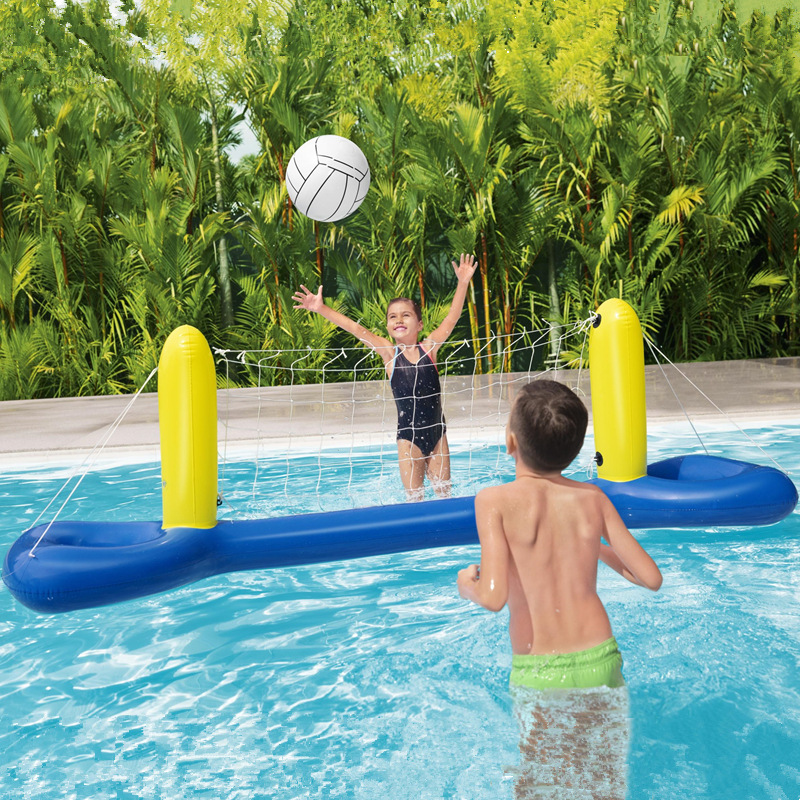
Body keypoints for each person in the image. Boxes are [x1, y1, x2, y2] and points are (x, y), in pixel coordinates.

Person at [456, 379, 662, 799]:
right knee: (602, 776)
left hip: (540, 668)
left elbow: (494, 597)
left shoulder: (493, 500)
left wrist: (467, 585)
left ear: (510, 441)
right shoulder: (593, 497)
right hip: (599, 657)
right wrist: (598, 552)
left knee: (540, 779)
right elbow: (651, 578)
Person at [292, 253, 477, 501]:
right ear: (388, 326)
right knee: (415, 500)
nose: (399, 319)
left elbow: (452, 318)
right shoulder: (389, 353)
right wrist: (320, 308)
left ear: (420, 324)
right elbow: (356, 329)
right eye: (393, 316)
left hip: (438, 435)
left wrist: (463, 282)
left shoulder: (430, 348)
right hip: (408, 440)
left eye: (406, 315)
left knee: (445, 497)